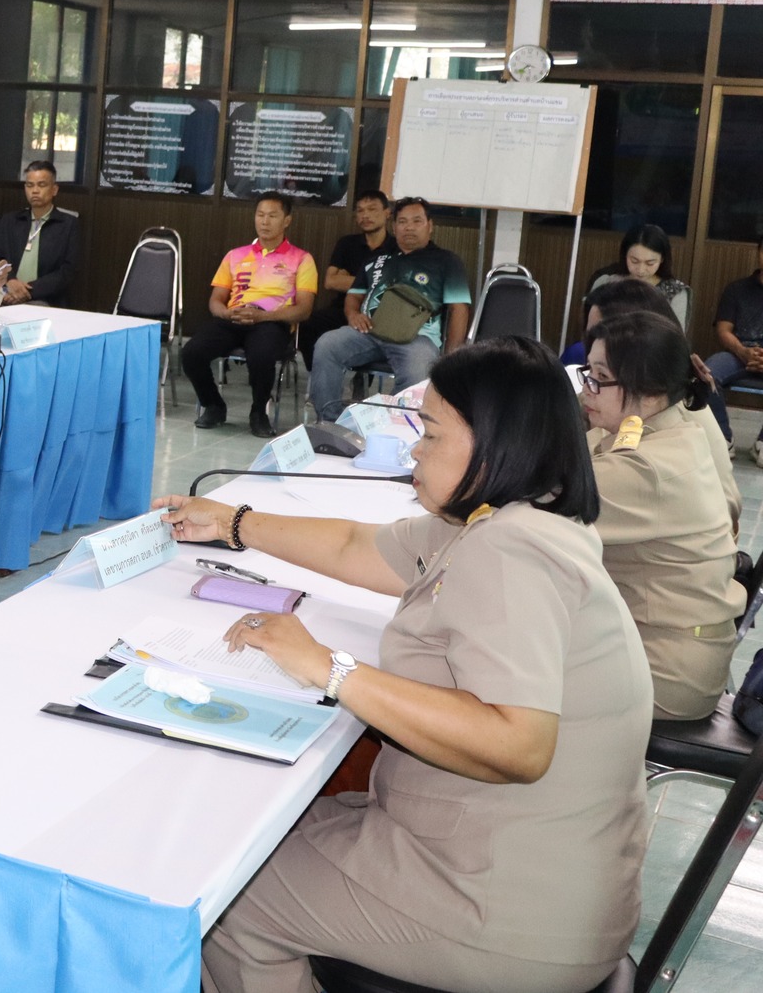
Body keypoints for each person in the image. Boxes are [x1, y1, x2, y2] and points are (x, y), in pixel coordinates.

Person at [164, 336, 650, 993]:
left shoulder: (511, 551)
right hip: (508, 861)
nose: (416, 450)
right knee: (244, 833)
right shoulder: (506, 518)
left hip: (503, 906)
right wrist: (232, 521)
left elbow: (519, 743)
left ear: (495, 445)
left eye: (433, 433)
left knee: (222, 894)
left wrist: (331, 668)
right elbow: (355, 545)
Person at [581, 312, 746, 721]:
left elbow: (538, 505)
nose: (587, 389)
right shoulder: (669, 430)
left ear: (650, 389)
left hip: (665, 670)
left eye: (600, 378)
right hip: (667, 645)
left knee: (503, 681)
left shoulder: (646, 469)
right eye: (589, 373)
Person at [577, 278, 740, 512]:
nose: (595, 341)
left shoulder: (672, 407)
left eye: (609, 331)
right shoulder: (617, 393)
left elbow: (728, 505)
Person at [309, 197, 472, 420]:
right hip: (370, 331)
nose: (409, 227)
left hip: (417, 337)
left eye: (417, 221)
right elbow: (354, 295)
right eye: (403, 222)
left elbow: (459, 309)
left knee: (419, 369)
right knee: (327, 344)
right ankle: (330, 421)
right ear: (394, 227)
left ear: (430, 225)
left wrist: (451, 358)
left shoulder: (447, 261)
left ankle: (386, 426)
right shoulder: (377, 259)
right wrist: (353, 314)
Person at [180, 192, 318, 437]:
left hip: (272, 321)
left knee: (262, 355)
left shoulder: (302, 259)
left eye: (272, 216)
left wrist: (262, 317)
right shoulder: (235, 255)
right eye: (260, 215)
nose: (264, 221)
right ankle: (213, 405)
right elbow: (215, 300)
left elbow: (304, 310)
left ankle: (258, 412)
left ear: (287, 221)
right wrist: (226, 313)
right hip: (234, 318)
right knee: (191, 352)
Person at [299, 190, 390, 370]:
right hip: (343, 308)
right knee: (308, 325)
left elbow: (390, 287)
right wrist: (374, 282)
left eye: (372, 209)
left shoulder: (395, 247)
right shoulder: (347, 243)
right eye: (360, 210)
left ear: (387, 213)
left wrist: (346, 279)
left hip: (378, 312)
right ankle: (316, 373)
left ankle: (360, 374)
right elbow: (330, 281)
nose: (365, 215)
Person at [0, 161, 79, 307]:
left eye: (41, 185)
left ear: (54, 189)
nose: (35, 191)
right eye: (30, 185)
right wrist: (10, 281)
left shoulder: (67, 224)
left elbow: (67, 272)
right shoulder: (10, 220)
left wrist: (28, 292)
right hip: (7, 292)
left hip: (44, 298)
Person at [705, 238, 763, 456]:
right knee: (707, 374)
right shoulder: (737, 289)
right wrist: (743, 352)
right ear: (758, 253)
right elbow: (723, 330)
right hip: (738, 353)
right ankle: (723, 436)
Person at [583, 222, 691, 328]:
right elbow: (590, 327)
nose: (641, 270)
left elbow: (675, 336)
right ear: (625, 255)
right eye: (634, 261)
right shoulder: (605, 283)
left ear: (662, 259)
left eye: (650, 263)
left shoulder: (675, 293)